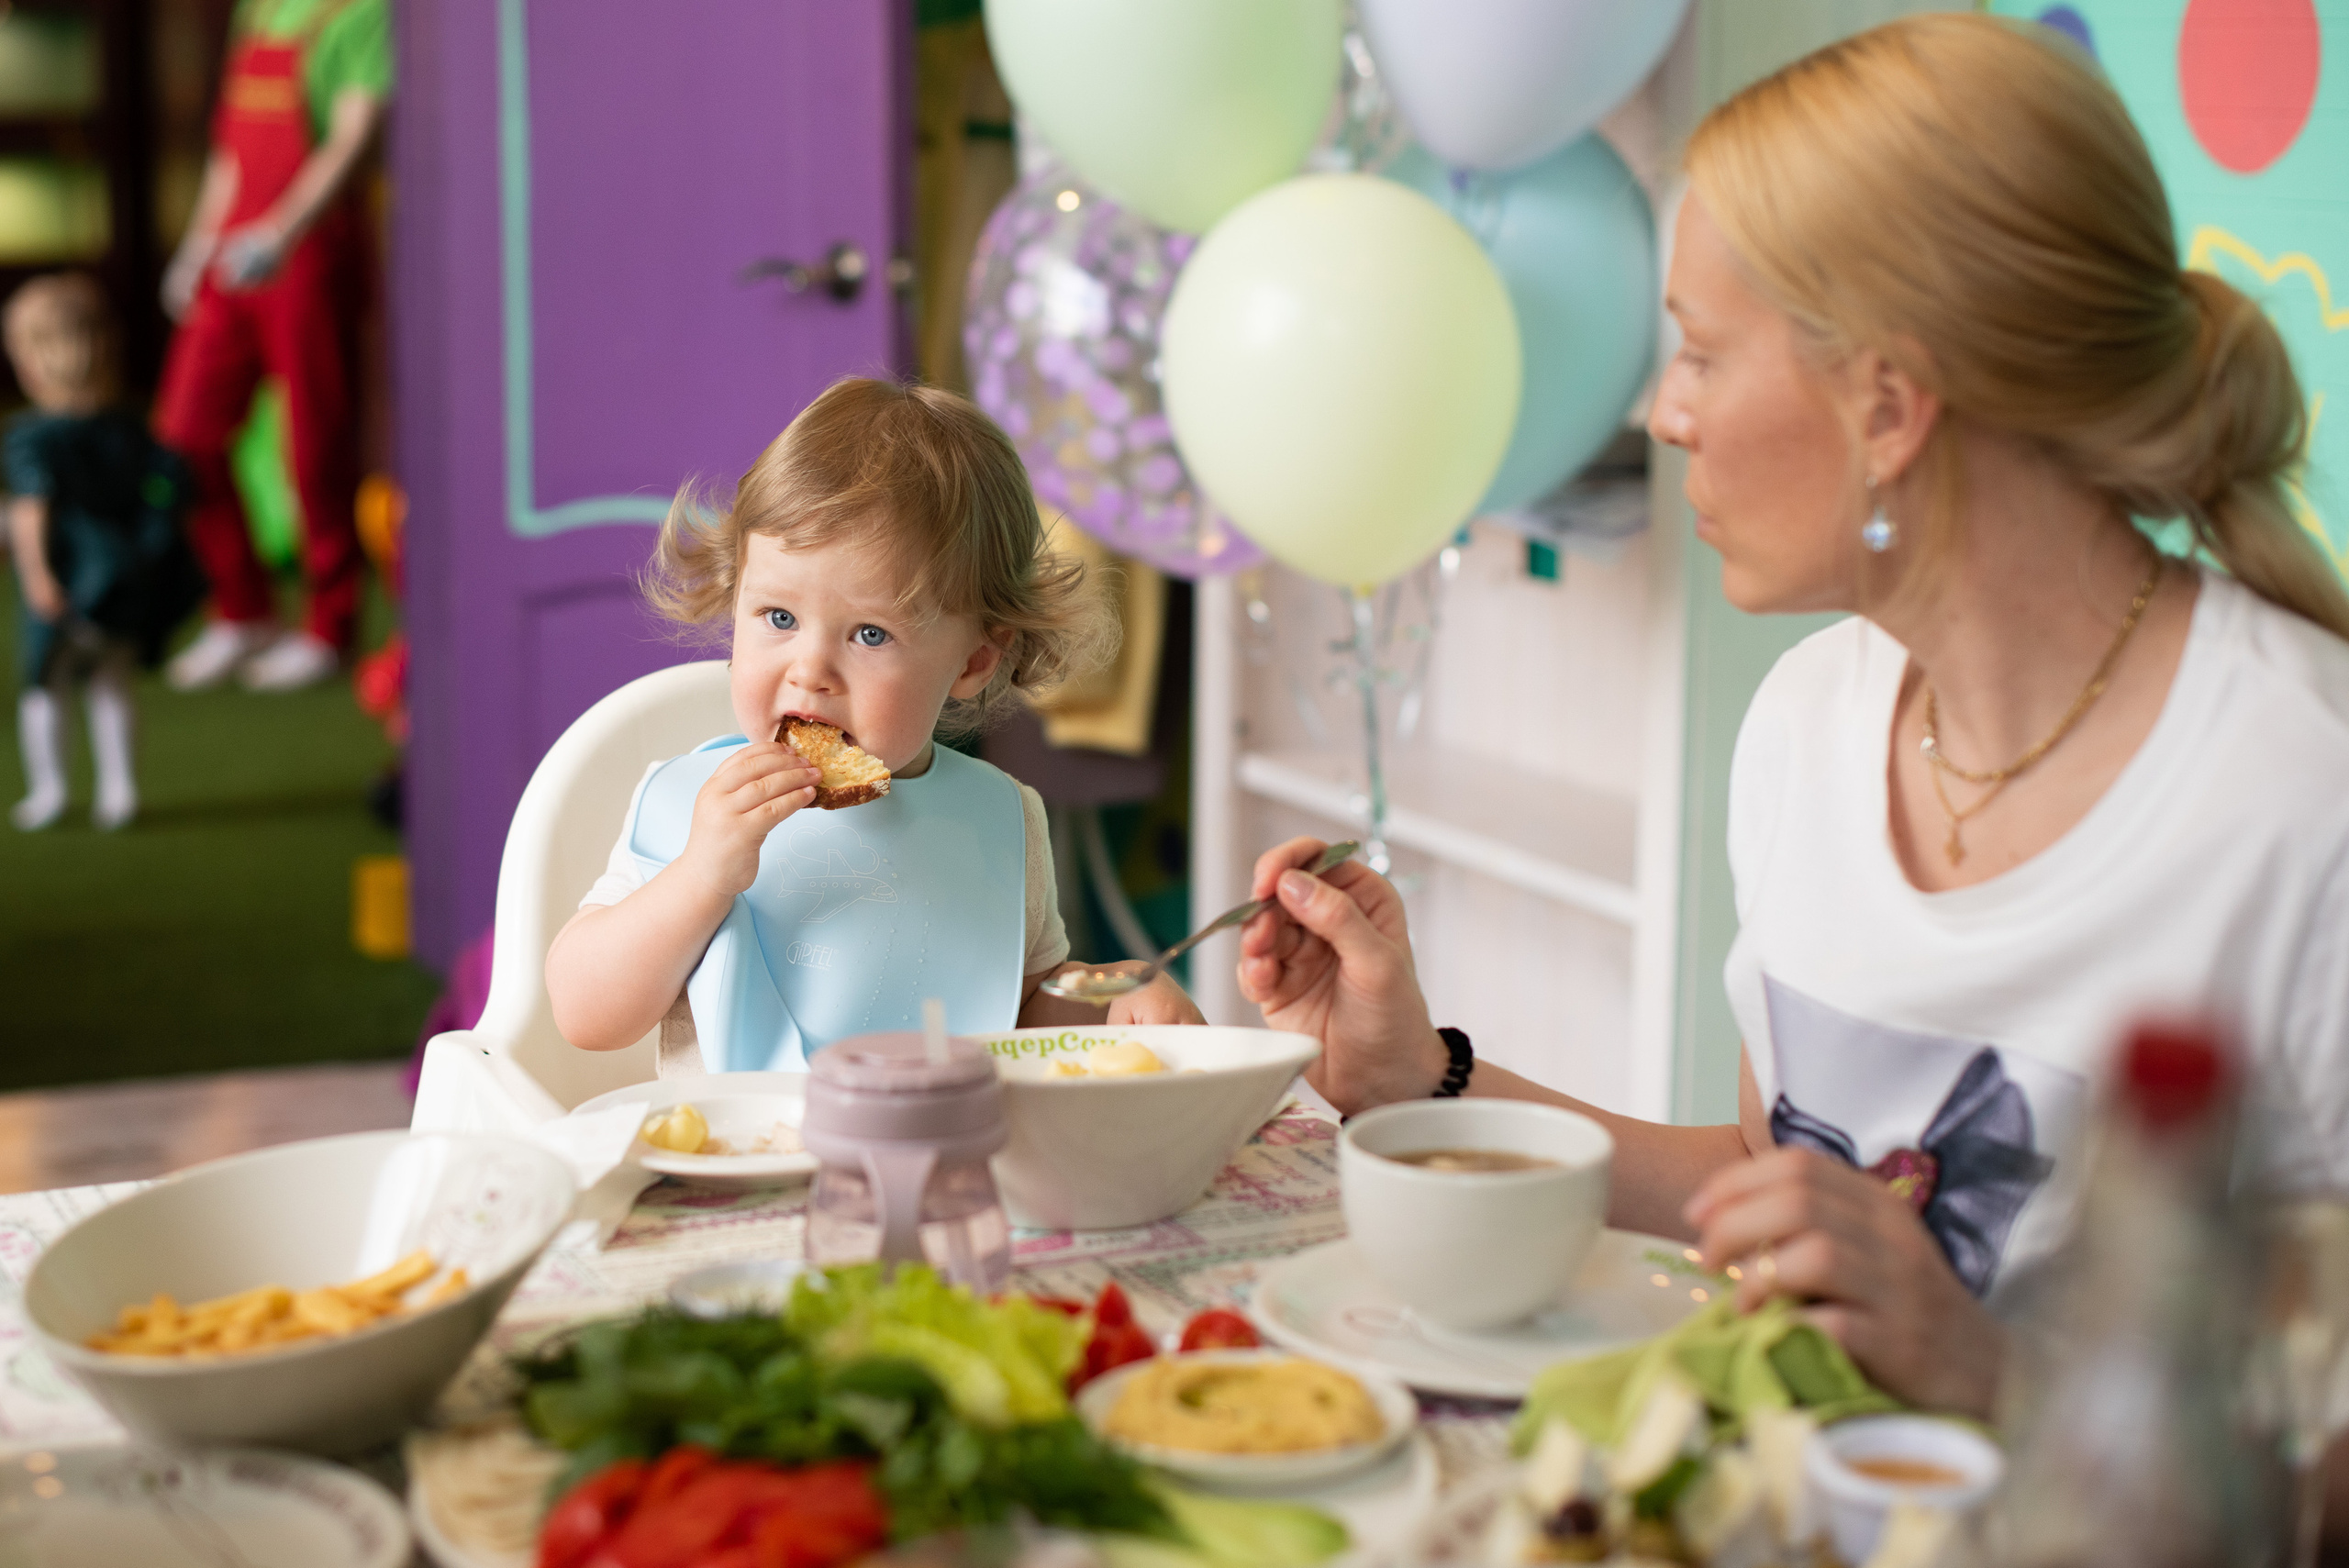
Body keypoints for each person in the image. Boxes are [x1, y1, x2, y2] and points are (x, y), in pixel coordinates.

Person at [1237, 12, 2349, 1421]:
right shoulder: (1811, 719)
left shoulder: (2304, 799)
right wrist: (1427, 1081)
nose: (1660, 409)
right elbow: (1783, 1196)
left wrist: (1997, 1382)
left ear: (1886, 404)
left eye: (1700, 351)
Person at [545, 378, 1204, 1071]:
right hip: (738, 1157)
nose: (810, 669)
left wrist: (1115, 1002)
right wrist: (701, 874)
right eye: (779, 618)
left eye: (868, 634)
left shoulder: (1002, 818)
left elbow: (1021, 1011)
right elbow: (585, 1014)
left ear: (975, 659)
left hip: (945, 1156)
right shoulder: (694, 807)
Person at [153, 0, 390, 693]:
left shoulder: (363, 13)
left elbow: (351, 135)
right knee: (184, 436)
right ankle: (241, 610)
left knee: (316, 445)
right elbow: (231, 148)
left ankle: (328, 626)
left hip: (309, 257)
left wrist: (282, 233)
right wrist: (200, 244)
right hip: (233, 253)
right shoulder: (258, 10)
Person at [4, 275, 206, 831]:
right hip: (122, 577)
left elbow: (31, 513)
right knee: (109, 683)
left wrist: (38, 577)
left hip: (67, 576)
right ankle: (118, 790)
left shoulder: (30, 437)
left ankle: (53, 790)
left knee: (46, 686)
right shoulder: (131, 426)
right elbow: (168, 487)